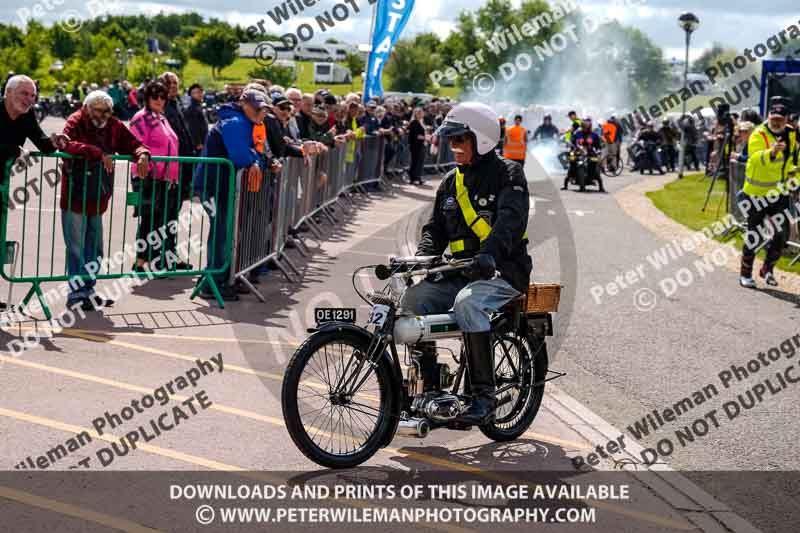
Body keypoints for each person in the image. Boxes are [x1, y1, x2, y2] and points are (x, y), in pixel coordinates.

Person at [401, 102, 532, 426]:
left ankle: (483, 396)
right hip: (458, 272)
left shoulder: (509, 174)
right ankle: (429, 391)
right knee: (413, 300)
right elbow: (434, 230)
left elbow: (509, 223)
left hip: (503, 273)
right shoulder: (450, 182)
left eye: (460, 139)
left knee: (468, 304)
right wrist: (421, 258)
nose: (454, 147)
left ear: (482, 139)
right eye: (451, 140)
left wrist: (489, 255)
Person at [60, 90, 151, 310]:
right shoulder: (76, 120)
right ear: (87, 108)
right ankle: (76, 295)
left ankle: (88, 291)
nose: (102, 115)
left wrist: (142, 154)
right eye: (98, 110)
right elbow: (65, 144)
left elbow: (133, 143)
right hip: (75, 195)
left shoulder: (113, 124)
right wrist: (96, 152)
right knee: (76, 248)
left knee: (95, 248)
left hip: (98, 196)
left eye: (107, 111)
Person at [192, 90, 271, 301]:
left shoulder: (241, 121)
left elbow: (249, 153)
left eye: (263, 108)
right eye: (257, 107)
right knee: (221, 233)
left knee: (224, 232)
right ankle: (213, 282)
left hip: (220, 184)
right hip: (214, 184)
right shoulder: (236, 122)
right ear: (244, 104)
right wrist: (254, 159)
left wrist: (254, 159)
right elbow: (240, 155)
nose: (261, 112)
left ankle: (216, 277)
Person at [0, 75, 69, 310]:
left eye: (32, 95)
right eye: (24, 93)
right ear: (8, 93)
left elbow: (42, 143)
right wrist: (13, 149)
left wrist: (56, 141)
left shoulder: (27, 115)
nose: (29, 99)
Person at [739, 97, 799, 289]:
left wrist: (795, 178)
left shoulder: (792, 134)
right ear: (768, 116)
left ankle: (767, 269)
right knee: (754, 234)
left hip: (778, 193)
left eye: (780, 118)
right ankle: (745, 274)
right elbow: (755, 158)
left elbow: (793, 160)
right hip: (755, 194)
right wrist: (771, 152)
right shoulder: (759, 134)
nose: (776, 121)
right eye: (773, 117)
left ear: (787, 119)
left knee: (781, 235)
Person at [129, 81, 182, 272]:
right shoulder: (141, 118)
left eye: (163, 96)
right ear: (147, 98)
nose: (160, 100)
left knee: (160, 221)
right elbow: (135, 144)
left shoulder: (161, 117)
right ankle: (140, 261)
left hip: (165, 178)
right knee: (149, 219)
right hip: (148, 177)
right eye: (155, 96)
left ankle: (153, 259)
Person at [563, 117, 605, 192]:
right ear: (582, 125)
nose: (586, 126)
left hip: (590, 153)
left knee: (596, 165)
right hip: (578, 152)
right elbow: (572, 142)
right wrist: (570, 145)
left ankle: (601, 186)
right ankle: (566, 183)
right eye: (585, 124)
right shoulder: (577, 134)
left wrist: (598, 151)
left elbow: (598, 146)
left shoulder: (594, 135)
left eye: (588, 125)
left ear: (590, 125)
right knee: (572, 162)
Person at [184, 83, 209, 155]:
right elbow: (192, 127)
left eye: (200, 92)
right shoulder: (192, 108)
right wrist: (198, 143)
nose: (199, 94)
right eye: (196, 92)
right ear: (191, 95)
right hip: (198, 145)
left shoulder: (198, 106)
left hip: (203, 142)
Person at [408, 107, 427, 185]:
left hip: (421, 144)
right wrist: (425, 137)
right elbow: (416, 135)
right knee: (415, 161)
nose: (421, 114)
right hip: (416, 145)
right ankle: (413, 178)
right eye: (419, 113)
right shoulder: (414, 122)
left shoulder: (421, 121)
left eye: (421, 112)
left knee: (420, 161)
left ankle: (418, 177)